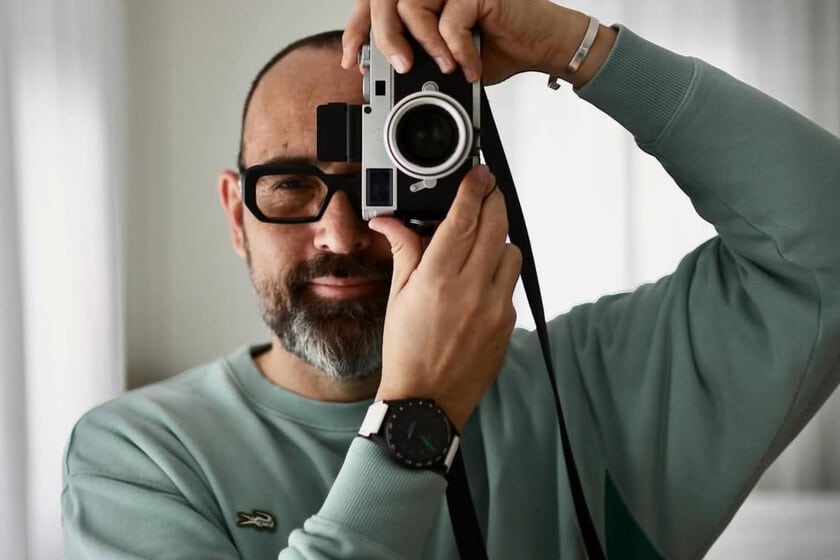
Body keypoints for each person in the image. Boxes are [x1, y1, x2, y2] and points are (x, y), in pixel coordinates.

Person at [62, 0, 840, 558]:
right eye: (292, 187)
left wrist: (577, 46)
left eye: (383, 182)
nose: (340, 233)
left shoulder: (589, 393)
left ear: (460, 178)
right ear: (238, 215)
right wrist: (419, 419)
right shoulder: (140, 456)